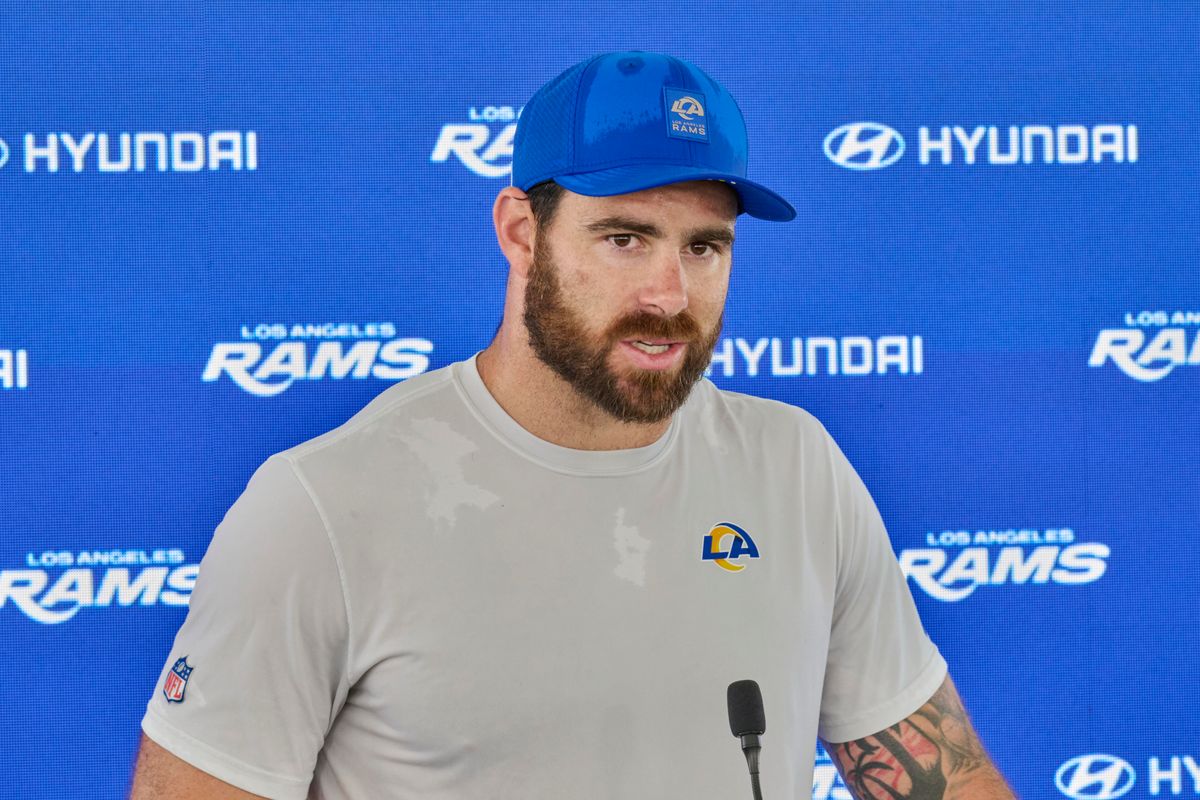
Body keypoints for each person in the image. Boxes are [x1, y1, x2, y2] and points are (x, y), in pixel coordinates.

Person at [130, 51, 1013, 799]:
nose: (669, 295)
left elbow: (941, 778)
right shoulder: (324, 507)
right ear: (521, 230)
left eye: (704, 247)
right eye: (624, 238)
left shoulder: (796, 468)